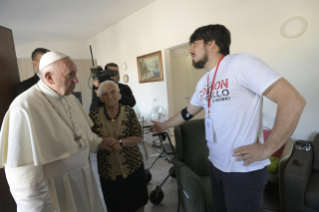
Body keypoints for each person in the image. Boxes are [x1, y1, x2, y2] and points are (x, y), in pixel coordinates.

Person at [151, 24, 306, 212]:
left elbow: (293, 101)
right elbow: (187, 112)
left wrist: (268, 148)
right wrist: (163, 125)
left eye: (194, 43)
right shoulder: (204, 81)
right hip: (216, 164)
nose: (190, 49)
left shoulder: (241, 63)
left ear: (212, 43)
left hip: (243, 170)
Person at [0, 51, 122, 212]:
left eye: (76, 73)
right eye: (70, 74)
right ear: (50, 77)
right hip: (59, 192)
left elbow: (80, 132)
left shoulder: (69, 97)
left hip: (85, 180)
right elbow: (25, 181)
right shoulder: (23, 107)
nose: (77, 80)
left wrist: (99, 143)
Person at [89, 80, 148, 212]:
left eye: (113, 92)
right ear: (101, 98)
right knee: (115, 205)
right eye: (105, 94)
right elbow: (89, 138)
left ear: (119, 94)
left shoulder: (129, 112)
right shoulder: (93, 116)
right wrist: (103, 143)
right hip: (108, 171)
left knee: (138, 202)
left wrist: (121, 142)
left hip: (132, 167)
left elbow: (138, 136)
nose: (110, 96)